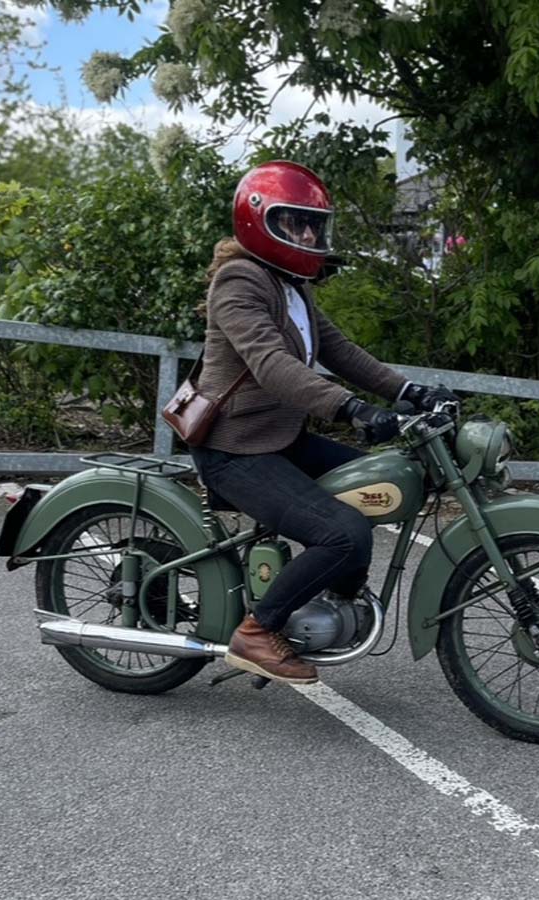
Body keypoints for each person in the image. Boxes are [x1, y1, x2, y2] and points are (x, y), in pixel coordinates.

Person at [190, 160, 456, 684]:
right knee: (343, 532)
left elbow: (338, 350)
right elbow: (271, 363)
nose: (309, 234)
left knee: (378, 486)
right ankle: (257, 631)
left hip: (280, 438)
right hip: (234, 448)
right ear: (260, 222)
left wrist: (408, 392)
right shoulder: (239, 280)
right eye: (296, 222)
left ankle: (325, 609)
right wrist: (351, 408)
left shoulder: (293, 283)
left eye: (314, 223)